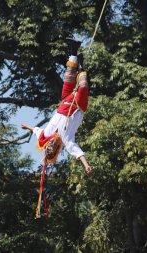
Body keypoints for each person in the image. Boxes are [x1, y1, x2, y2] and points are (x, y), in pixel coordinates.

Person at [21, 39, 92, 174]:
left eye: (48, 146)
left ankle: (73, 49)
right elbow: (77, 152)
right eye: (52, 147)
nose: (51, 144)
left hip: (66, 100)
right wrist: (86, 165)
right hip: (77, 106)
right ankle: (83, 68)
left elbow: (37, 131)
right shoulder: (67, 141)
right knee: (82, 87)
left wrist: (27, 127)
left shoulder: (46, 135)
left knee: (69, 75)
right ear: (56, 149)